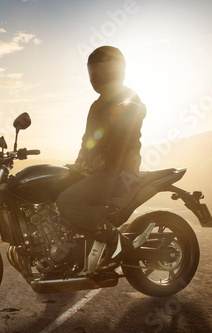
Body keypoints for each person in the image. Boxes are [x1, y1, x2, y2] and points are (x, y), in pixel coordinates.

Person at [56, 46, 146, 270]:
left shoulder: (129, 99)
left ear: (116, 70)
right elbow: (88, 140)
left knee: (68, 201)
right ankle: (67, 253)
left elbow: (125, 135)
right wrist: (78, 163)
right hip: (100, 170)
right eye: (92, 70)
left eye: (102, 69)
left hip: (120, 171)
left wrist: (106, 158)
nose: (96, 75)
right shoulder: (97, 105)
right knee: (55, 188)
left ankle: (117, 242)